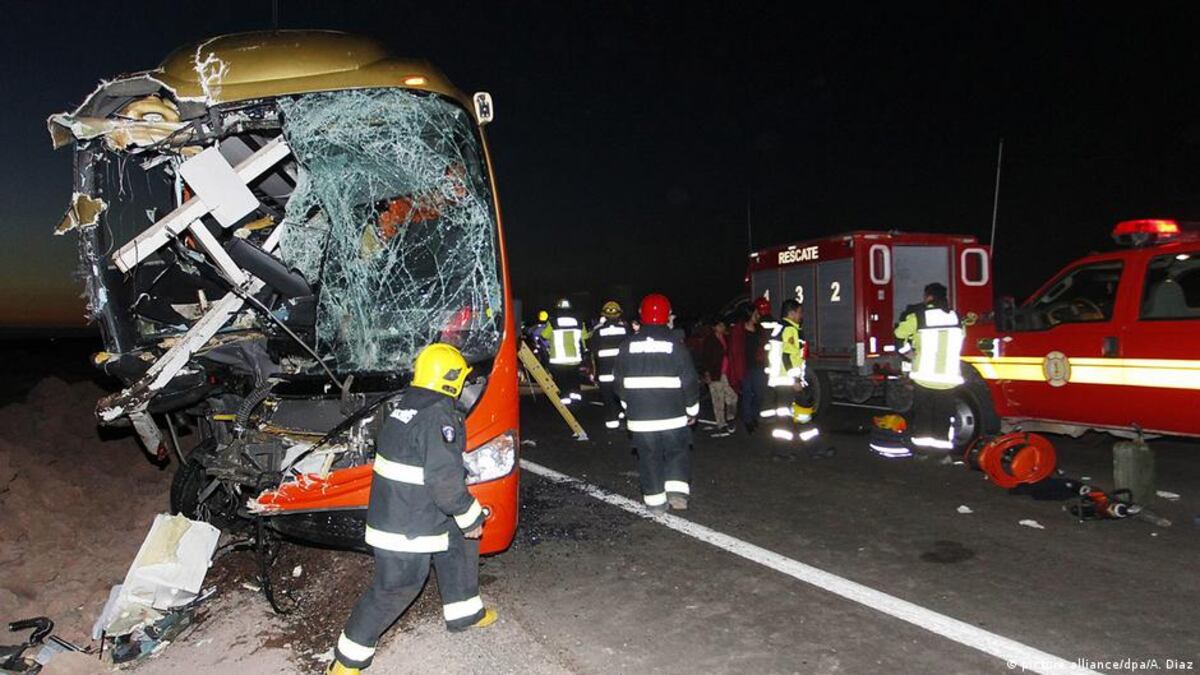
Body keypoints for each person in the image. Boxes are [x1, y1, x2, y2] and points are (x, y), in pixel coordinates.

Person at [330, 343, 495, 675]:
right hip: (407, 524)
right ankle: (347, 660)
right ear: (451, 379)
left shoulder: (406, 405)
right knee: (398, 586)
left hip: (405, 510)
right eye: (461, 379)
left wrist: (465, 520)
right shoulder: (439, 415)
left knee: (459, 543)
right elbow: (444, 481)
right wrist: (469, 516)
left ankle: (464, 612)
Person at [613, 293, 701, 512]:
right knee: (677, 452)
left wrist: (628, 406)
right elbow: (689, 381)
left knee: (649, 458)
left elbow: (618, 383)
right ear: (667, 316)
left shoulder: (627, 346)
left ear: (642, 316)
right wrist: (692, 409)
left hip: (641, 419)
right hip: (673, 417)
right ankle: (677, 495)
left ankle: (655, 503)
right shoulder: (676, 345)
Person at [894, 282, 965, 454]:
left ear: (929, 297)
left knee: (923, 416)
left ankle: (922, 453)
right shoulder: (956, 317)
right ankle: (942, 454)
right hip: (949, 379)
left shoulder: (918, 316)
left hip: (924, 377)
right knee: (944, 416)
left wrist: (909, 353)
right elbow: (961, 338)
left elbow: (898, 334)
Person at [763, 299, 832, 458]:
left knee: (799, 416)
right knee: (789, 419)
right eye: (800, 311)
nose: (801, 315)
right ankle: (785, 452)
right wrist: (795, 379)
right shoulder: (790, 330)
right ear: (791, 312)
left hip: (782, 380)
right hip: (787, 381)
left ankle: (812, 449)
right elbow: (787, 356)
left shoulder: (781, 328)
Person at [591, 300, 630, 430]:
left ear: (604, 315)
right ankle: (623, 418)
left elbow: (594, 354)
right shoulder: (625, 331)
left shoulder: (597, 332)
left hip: (604, 373)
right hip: (622, 373)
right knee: (623, 397)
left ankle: (612, 423)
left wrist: (595, 374)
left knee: (608, 399)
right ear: (619, 315)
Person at [541, 298, 586, 405]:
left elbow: (544, 336)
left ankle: (565, 401)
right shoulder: (579, 322)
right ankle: (576, 400)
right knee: (574, 380)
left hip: (558, 360)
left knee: (562, 381)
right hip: (575, 359)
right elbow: (585, 338)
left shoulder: (553, 322)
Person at [700, 316, 738, 436]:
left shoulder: (725, 338)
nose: (722, 327)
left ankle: (730, 417)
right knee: (718, 399)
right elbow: (705, 358)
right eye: (720, 325)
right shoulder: (709, 340)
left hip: (725, 372)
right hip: (715, 372)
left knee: (732, 396)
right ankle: (721, 424)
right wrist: (706, 373)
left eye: (723, 325)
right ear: (715, 327)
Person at [737, 296, 770, 434]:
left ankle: (754, 416)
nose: (758, 316)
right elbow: (735, 350)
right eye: (756, 313)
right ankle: (748, 421)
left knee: (759, 395)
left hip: (758, 367)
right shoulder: (739, 331)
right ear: (749, 315)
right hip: (745, 367)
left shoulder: (760, 330)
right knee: (747, 395)